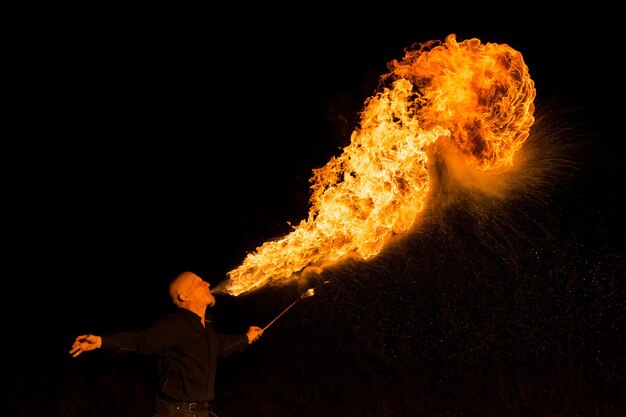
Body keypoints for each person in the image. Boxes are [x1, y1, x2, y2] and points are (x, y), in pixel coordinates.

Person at [69, 271, 263, 417]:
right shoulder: (175, 324)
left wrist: (247, 337)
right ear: (184, 296)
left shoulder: (205, 328)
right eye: (198, 283)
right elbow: (141, 340)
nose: (207, 283)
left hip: (202, 412)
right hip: (175, 413)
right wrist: (102, 342)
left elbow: (222, 345)